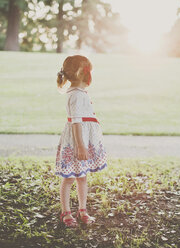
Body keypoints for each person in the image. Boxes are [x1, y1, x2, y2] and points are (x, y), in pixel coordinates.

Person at [55, 55, 107, 227]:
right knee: (69, 178)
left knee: (82, 177)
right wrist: (81, 146)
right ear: (84, 74)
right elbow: (76, 122)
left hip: (82, 142)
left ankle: (82, 209)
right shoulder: (76, 95)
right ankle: (66, 212)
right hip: (77, 143)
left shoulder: (80, 93)